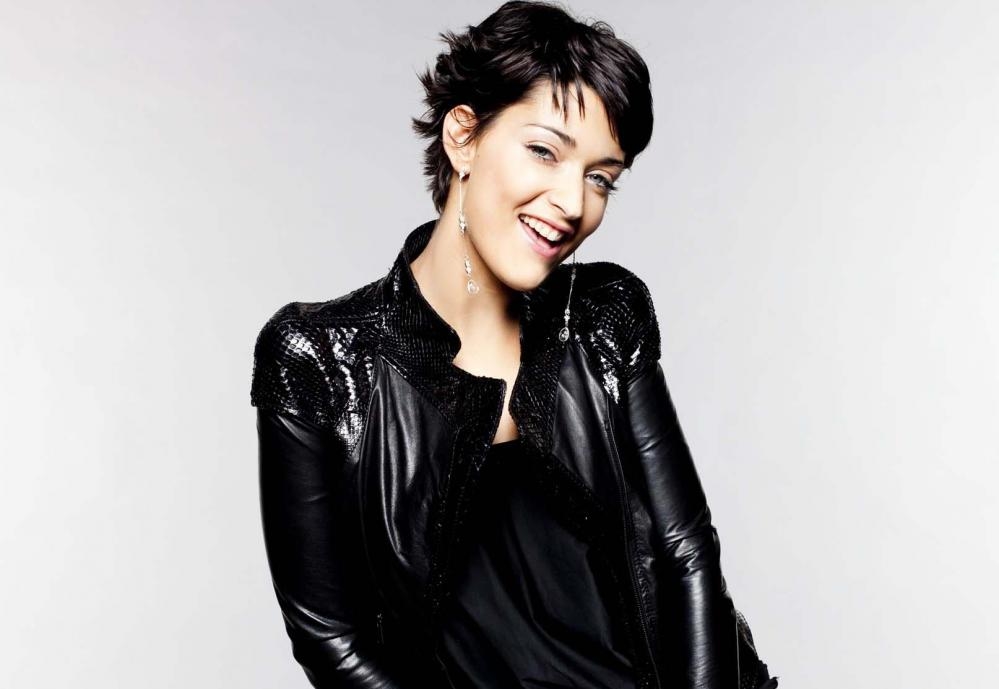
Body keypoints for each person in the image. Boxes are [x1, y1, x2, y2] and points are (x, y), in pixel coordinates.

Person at [249, 2, 777, 688]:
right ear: (463, 136)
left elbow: (687, 555)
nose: (572, 203)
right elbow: (331, 640)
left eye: (600, 177)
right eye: (544, 151)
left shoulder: (603, 317)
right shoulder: (320, 360)